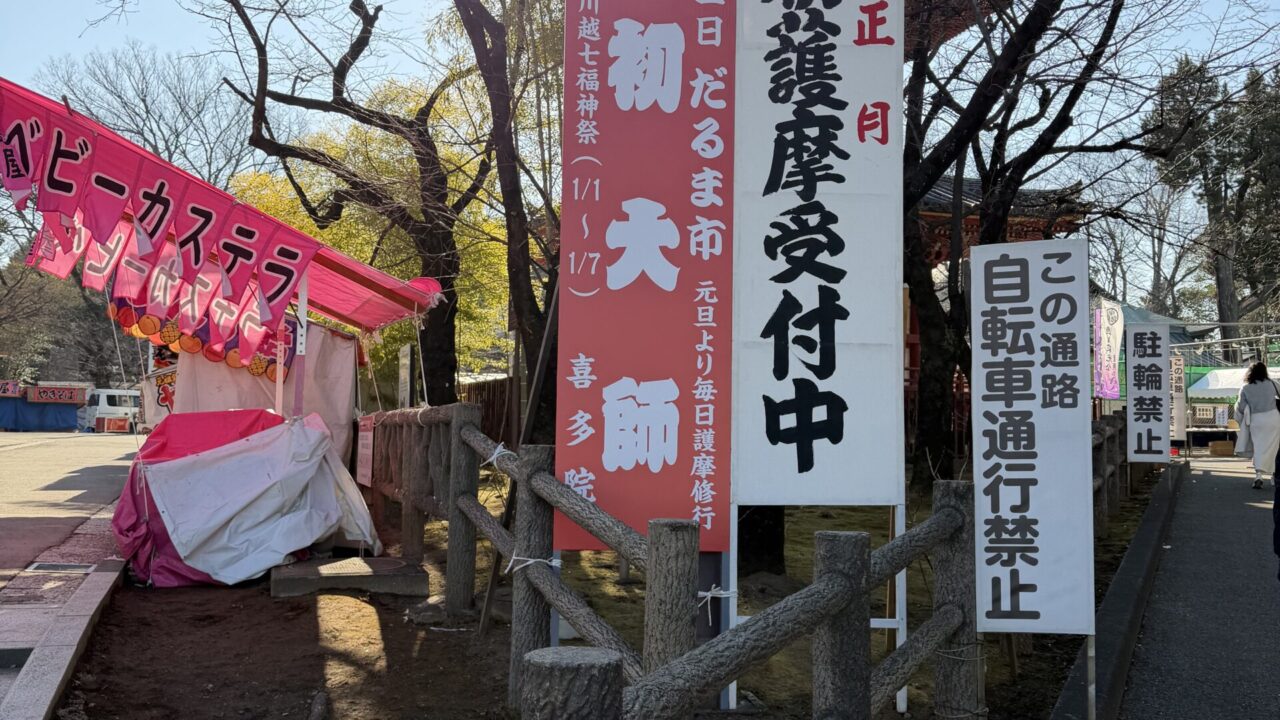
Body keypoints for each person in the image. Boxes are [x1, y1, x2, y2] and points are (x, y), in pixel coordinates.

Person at [1235, 362, 1280, 489]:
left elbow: (1241, 407)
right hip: (1273, 418)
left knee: (1259, 447)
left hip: (1256, 420)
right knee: (1274, 448)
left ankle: (1258, 476)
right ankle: (1273, 475)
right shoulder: (1272, 383)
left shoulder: (1245, 387)